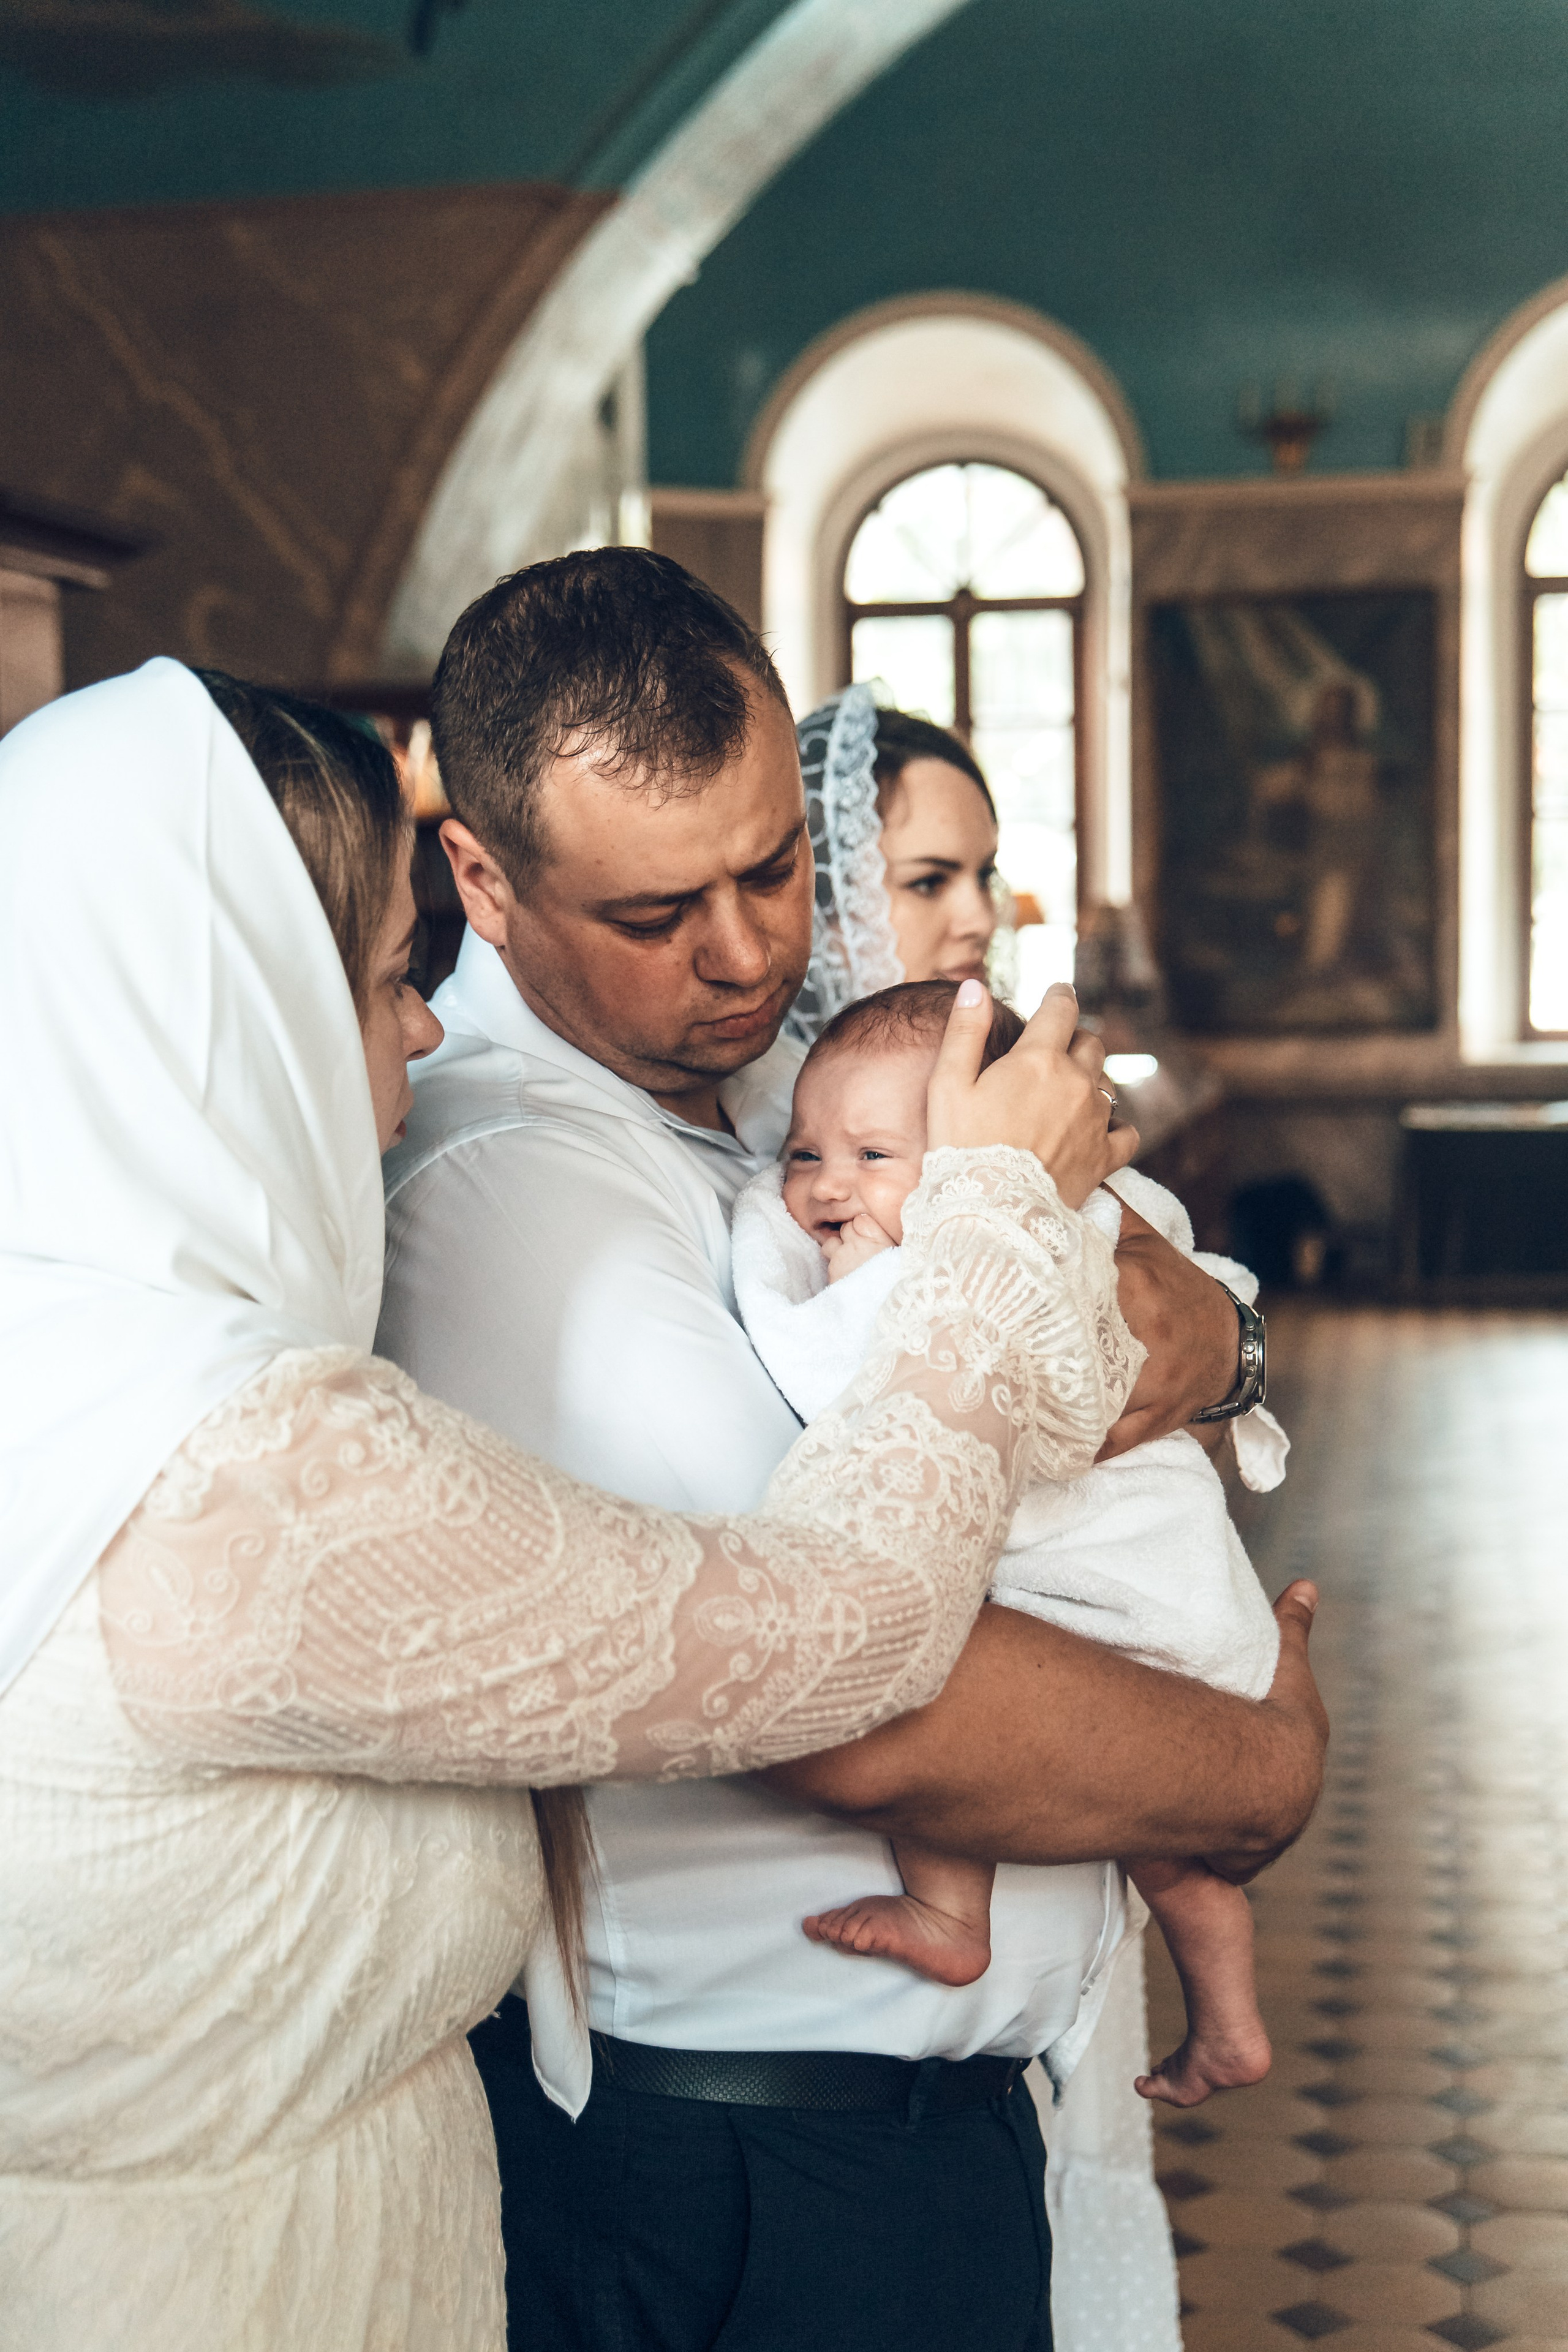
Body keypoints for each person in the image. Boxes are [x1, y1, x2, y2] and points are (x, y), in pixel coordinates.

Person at [0, 655, 1152, 2352]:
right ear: (230, 1012)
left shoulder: (77, 1344)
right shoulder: (246, 1470)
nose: (416, 1028)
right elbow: (846, 1641)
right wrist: (989, 1214)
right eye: (392, 980)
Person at [376, 551, 1326, 2352]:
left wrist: (1220, 1341)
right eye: (661, 916)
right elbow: (851, 1698)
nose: (746, 954)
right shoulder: (518, 1194)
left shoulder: (761, 1099)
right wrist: (1257, 1775)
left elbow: (1101, 1334)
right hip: (752, 2172)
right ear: (483, 882)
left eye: (773, 868)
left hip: (894, 2140)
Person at [733, 978, 1292, 2113]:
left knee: (941, 1703)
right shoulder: (1084, 1217)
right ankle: (1229, 2025)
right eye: (801, 1157)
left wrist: (806, 1268)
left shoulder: (973, 1261)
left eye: (875, 1157)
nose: (829, 1186)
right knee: (1173, 1858)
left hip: (1105, 1582)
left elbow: (878, 1399)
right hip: (1189, 1601)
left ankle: (951, 1915)